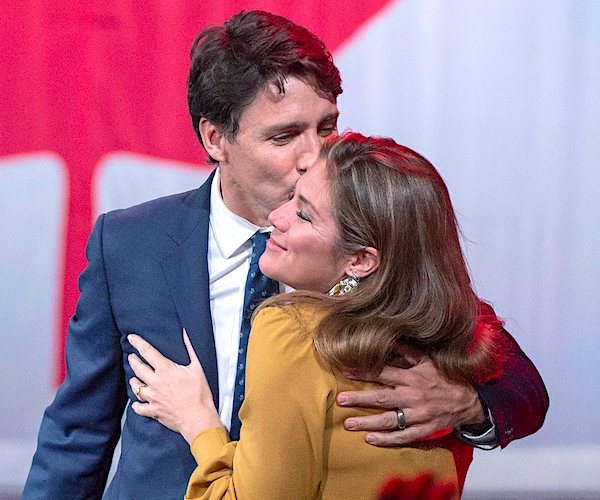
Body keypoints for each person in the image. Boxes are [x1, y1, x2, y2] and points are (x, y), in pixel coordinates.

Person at [23, 10, 548, 500]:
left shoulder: (372, 233)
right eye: (284, 136)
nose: (314, 156)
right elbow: (79, 432)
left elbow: (518, 381)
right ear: (215, 138)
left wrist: (471, 406)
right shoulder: (131, 242)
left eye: (325, 126)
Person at [126, 132, 513, 499]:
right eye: (293, 197)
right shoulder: (459, 336)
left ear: (360, 260)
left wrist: (199, 423)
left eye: (305, 216)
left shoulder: (291, 332)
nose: (277, 217)